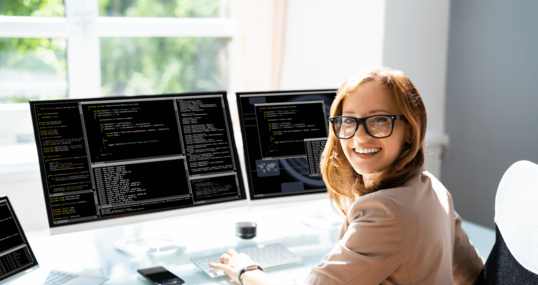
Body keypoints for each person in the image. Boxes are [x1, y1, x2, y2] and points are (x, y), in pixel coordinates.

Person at [209, 67, 484, 284]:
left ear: (410, 129)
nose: (360, 136)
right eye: (349, 120)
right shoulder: (432, 188)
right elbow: (473, 274)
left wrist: (245, 270)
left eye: (379, 120)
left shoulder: (385, 212)